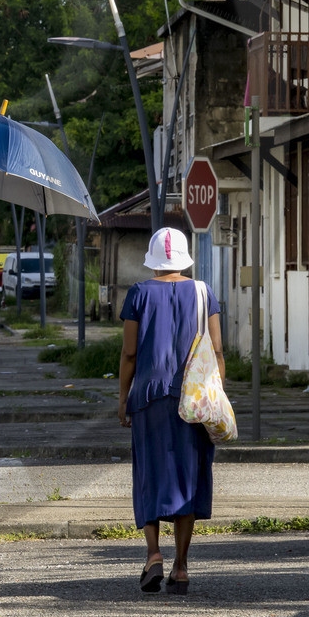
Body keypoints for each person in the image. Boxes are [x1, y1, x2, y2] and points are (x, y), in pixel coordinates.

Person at [117, 226, 224, 596]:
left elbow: (130, 353)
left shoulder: (139, 293)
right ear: (185, 259)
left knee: (149, 474)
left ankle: (153, 554)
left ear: (152, 261)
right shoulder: (203, 292)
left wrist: (122, 397)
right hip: (192, 399)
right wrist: (216, 397)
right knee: (187, 477)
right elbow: (217, 351)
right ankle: (181, 566)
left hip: (148, 398)